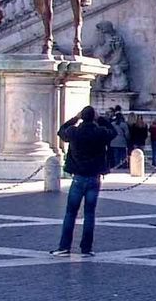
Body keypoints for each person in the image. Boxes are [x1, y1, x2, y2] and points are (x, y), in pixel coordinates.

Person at [50, 106, 117, 257]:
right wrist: (100, 119)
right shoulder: (100, 132)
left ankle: (64, 247)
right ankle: (86, 248)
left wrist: (75, 118)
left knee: (70, 213)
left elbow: (61, 131)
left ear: (82, 117)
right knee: (89, 214)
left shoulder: (74, 132)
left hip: (78, 177)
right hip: (94, 177)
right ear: (93, 117)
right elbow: (113, 132)